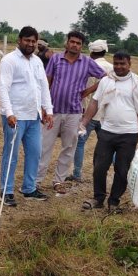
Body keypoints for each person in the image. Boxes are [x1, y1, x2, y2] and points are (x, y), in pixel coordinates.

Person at [78, 51, 138, 211]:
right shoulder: (106, 81)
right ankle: (98, 198)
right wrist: (83, 123)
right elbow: (94, 103)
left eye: (122, 63)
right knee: (99, 167)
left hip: (128, 134)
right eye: (116, 63)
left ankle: (114, 202)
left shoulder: (137, 84)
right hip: (107, 132)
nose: (118, 66)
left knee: (122, 170)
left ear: (129, 64)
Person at [37, 31, 105, 195]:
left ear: (82, 46)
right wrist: (44, 107)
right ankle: (36, 181)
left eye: (78, 43)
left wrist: (87, 91)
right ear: (67, 43)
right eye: (72, 42)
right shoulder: (55, 58)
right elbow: (48, 81)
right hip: (53, 111)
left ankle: (58, 181)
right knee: (44, 147)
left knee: (68, 148)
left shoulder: (87, 62)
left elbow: (104, 77)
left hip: (74, 111)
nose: (75, 45)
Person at [0, 26, 54, 206]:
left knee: (35, 153)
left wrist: (48, 110)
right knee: (11, 154)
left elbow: (43, 86)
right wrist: (9, 113)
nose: (30, 44)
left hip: (34, 116)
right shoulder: (9, 60)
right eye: (27, 40)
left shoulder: (37, 61)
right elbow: (2, 88)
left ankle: (29, 188)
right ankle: (7, 190)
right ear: (19, 40)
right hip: (15, 117)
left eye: (33, 41)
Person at [72, 39, 114, 180]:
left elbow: (82, 89)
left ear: (91, 51)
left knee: (80, 143)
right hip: (105, 114)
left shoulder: (87, 65)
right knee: (109, 145)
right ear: (104, 51)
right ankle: (121, 172)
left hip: (88, 113)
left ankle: (77, 173)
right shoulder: (112, 67)